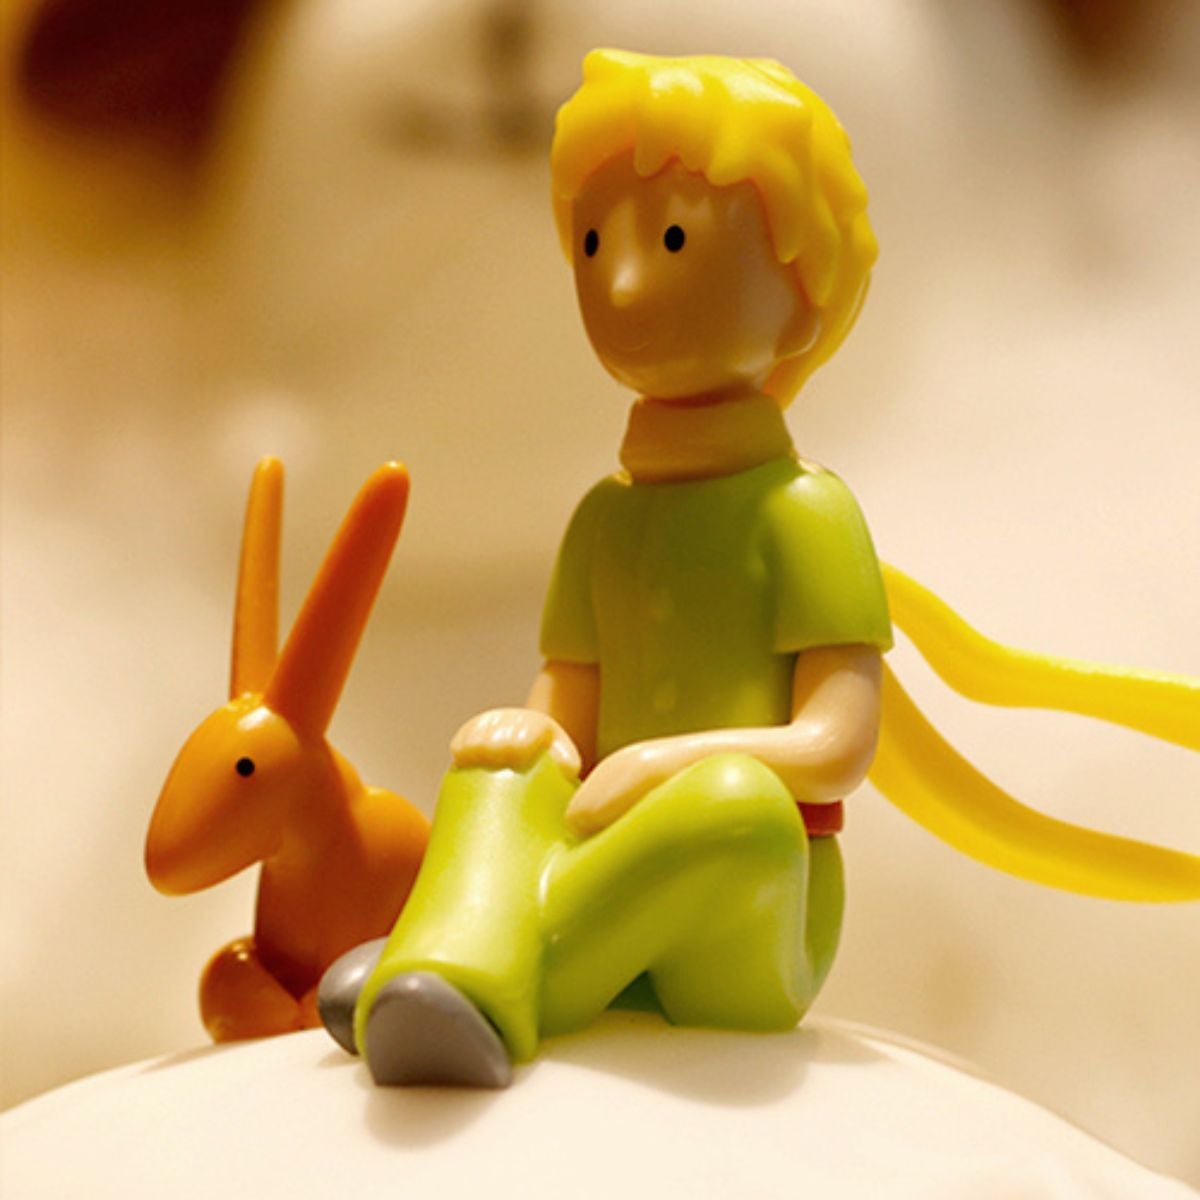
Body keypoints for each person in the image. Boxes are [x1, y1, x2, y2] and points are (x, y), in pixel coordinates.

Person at [320, 50, 1200, 1089]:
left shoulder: (803, 513)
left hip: (751, 912)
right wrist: (534, 738)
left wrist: (664, 766)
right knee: (494, 767)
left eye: (674, 239)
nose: (624, 282)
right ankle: (449, 953)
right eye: (594, 243)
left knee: (735, 801)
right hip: (608, 855)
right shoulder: (606, 518)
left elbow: (835, 746)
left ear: (803, 295)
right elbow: (566, 706)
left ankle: (494, 983)